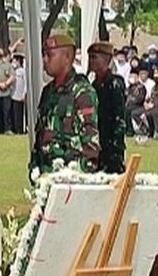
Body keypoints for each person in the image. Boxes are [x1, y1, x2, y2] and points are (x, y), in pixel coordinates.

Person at [30, 34, 99, 179]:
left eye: (50, 55)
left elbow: (90, 141)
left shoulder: (81, 92)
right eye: (44, 55)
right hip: (46, 174)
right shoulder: (48, 91)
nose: (45, 60)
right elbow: (41, 134)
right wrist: (34, 167)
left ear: (67, 57)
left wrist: (82, 177)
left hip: (70, 176)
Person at [88, 42, 126, 174]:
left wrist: (116, 145)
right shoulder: (93, 85)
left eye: (94, 57)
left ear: (106, 59)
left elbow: (119, 117)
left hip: (111, 143)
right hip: (97, 141)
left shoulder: (114, 83)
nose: (91, 61)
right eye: (90, 57)